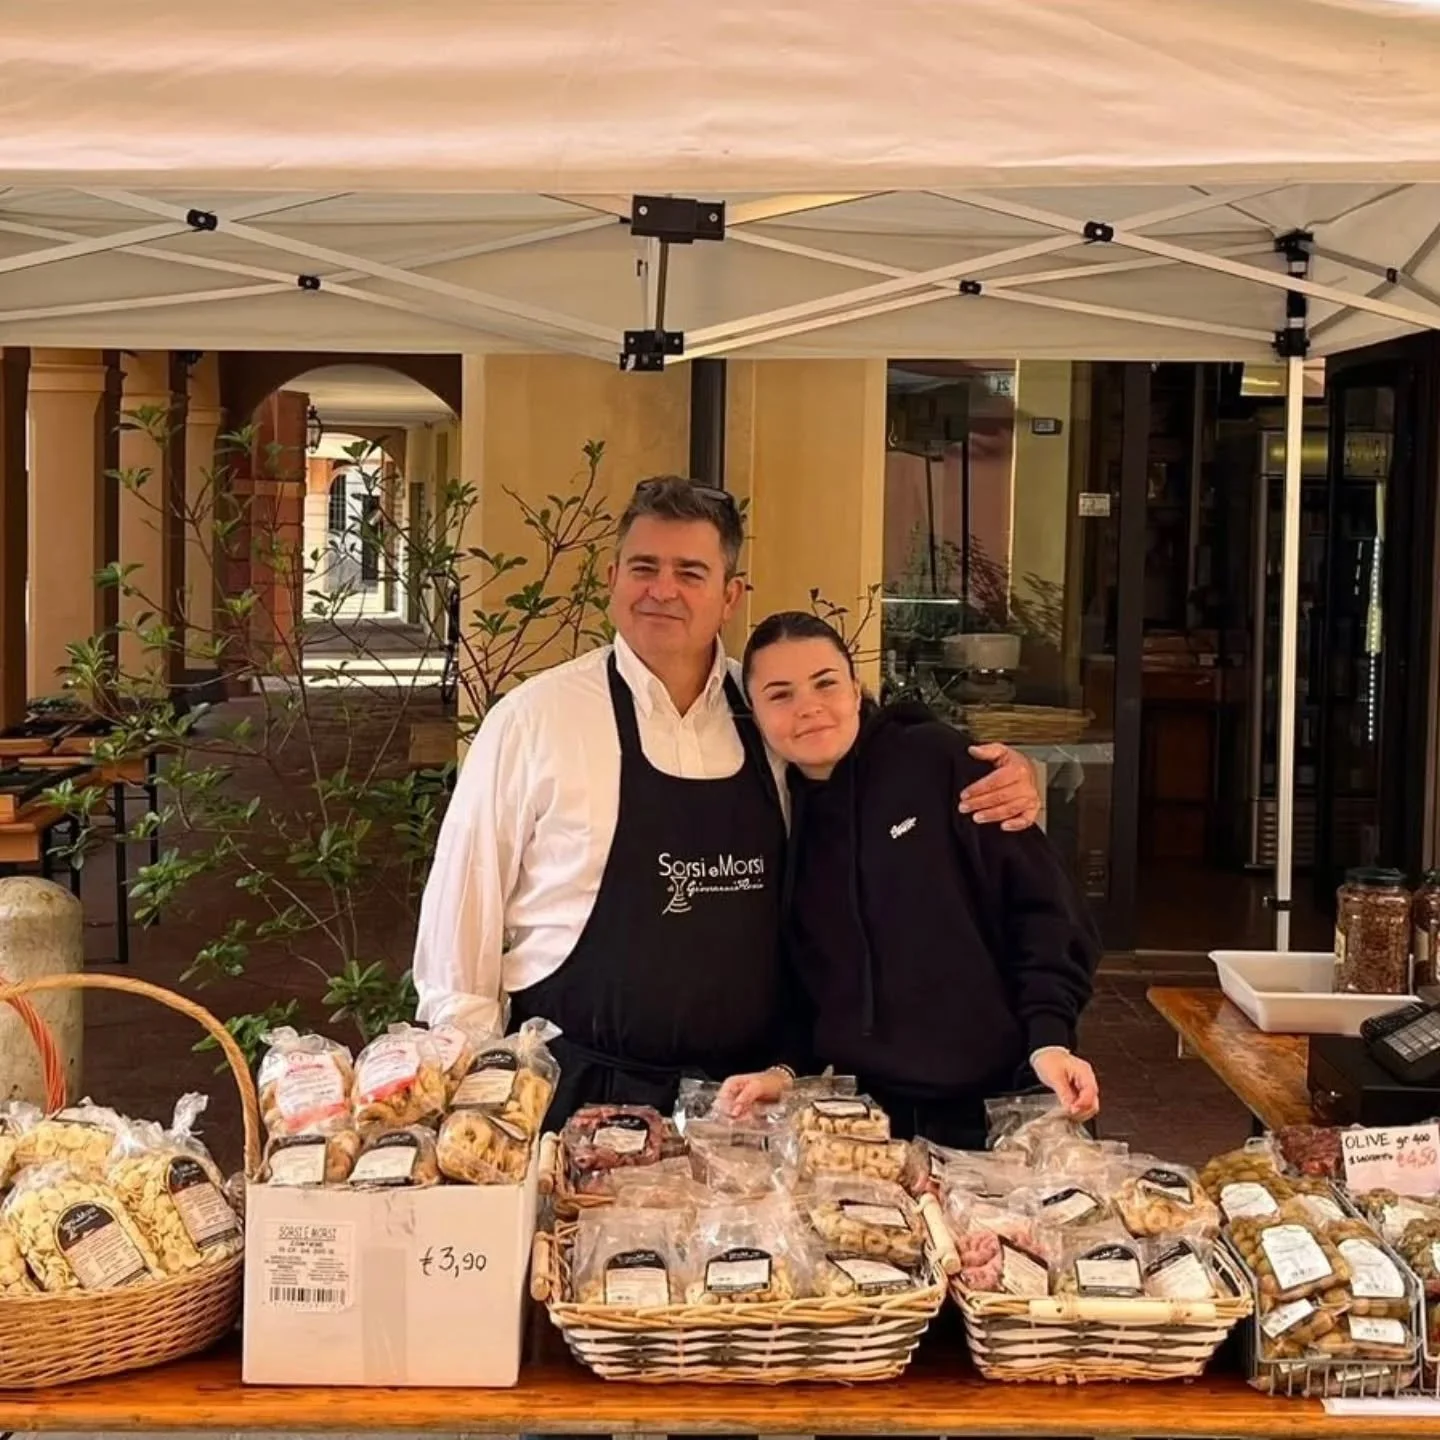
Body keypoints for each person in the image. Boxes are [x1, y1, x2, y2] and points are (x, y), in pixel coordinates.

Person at [413, 476, 1043, 1127]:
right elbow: (465, 906)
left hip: (743, 1103)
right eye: (644, 567)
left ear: (730, 595)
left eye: (691, 572)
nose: (663, 589)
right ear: (612, 577)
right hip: (576, 1091)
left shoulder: (777, 711)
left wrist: (996, 777)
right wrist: (479, 1090)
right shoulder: (534, 720)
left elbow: (892, 771)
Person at [719, 610, 1101, 1148]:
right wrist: (781, 1071)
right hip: (873, 1122)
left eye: (825, 683)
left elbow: (1047, 913)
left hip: (1008, 1103)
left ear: (856, 690)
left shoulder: (938, 763)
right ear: (755, 715)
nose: (808, 707)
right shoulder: (782, 817)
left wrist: (1049, 1041)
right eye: (780, 695)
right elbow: (810, 980)